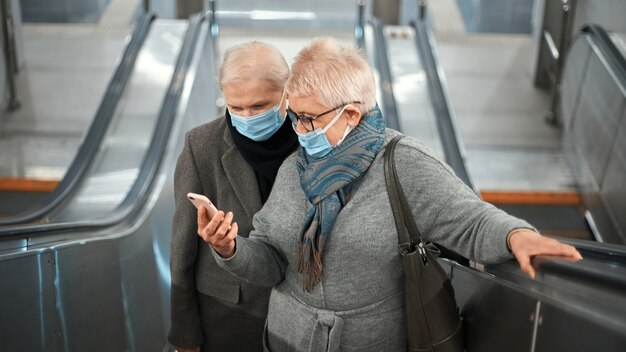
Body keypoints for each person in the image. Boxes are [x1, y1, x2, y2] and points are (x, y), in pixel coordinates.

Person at [197, 37, 582, 351]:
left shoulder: (403, 163)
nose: (299, 130)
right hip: (284, 340)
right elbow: (271, 262)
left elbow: (473, 220)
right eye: (295, 116)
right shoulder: (294, 169)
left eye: (309, 118)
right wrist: (230, 248)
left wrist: (518, 235)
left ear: (350, 114)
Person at [168, 41, 299, 352]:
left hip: (299, 317)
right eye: (235, 107)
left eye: (259, 106)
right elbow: (181, 252)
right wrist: (185, 337)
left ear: (286, 92)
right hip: (228, 318)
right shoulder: (201, 147)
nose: (246, 116)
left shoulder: (312, 137)